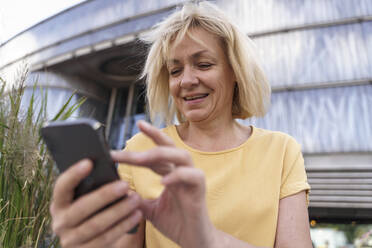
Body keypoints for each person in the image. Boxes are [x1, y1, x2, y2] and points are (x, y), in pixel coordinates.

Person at [49, 2, 312, 248]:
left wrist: (205, 237)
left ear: (236, 72)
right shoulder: (142, 149)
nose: (186, 81)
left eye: (204, 64)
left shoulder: (281, 151)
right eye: (175, 71)